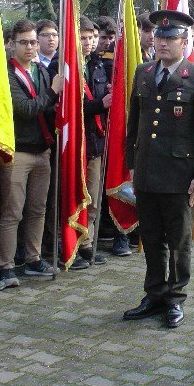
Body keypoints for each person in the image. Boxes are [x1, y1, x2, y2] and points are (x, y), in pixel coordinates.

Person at [121, 10, 194, 329]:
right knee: (151, 238)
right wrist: (131, 164)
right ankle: (154, 294)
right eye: (159, 37)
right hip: (148, 171)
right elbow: (133, 122)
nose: (162, 43)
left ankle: (175, 298)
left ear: (184, 41)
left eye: (171, 38)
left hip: (180, 175)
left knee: (178, 241)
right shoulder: (144, 72)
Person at [0, 19, 63, 286]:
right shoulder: (6, 74)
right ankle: (6, 265)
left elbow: (47, 108)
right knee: (12, 211)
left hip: (42, 150)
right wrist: (53, 92)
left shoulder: (41, 71)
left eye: (33, 42)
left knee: (38, 209)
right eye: (24, 42)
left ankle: (33, 259)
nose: (30, 47)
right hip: (18, 152)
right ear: (12, 44)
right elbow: (24, 108)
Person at [71, 16, 111, 269]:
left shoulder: (97, 65)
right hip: (76, 143)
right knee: (73, 197)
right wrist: (100, 104)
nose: (89, 42)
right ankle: (71, 245)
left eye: (92, 37)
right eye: (84, 37)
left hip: (95, 142)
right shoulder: (66, 66)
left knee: (93, 198)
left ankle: (88, 243)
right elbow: (71, 108)